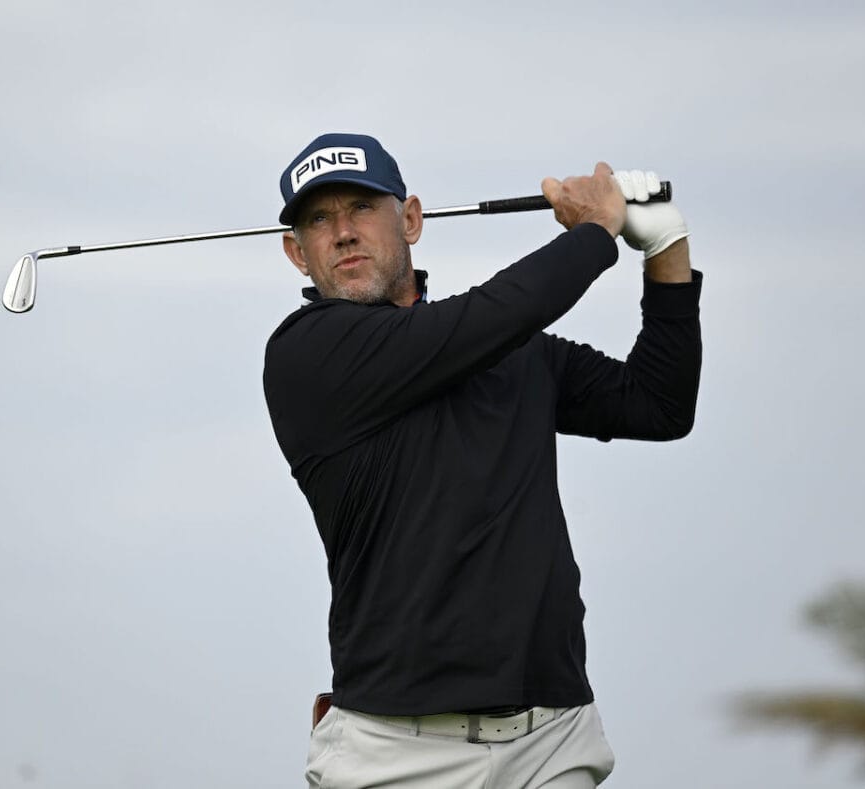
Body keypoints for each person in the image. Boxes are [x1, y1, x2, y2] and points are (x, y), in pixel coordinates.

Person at [262, 133, 702, 788]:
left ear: (411, 219)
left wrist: (666, 245)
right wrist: (595, 230)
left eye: (361, 208)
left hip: (552, 741)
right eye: (319, 219)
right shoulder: (306, 354)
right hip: (393, 751)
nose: (344, 232)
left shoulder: (507, 350)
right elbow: (490, 316)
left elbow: (658, 404)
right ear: (297, 253)